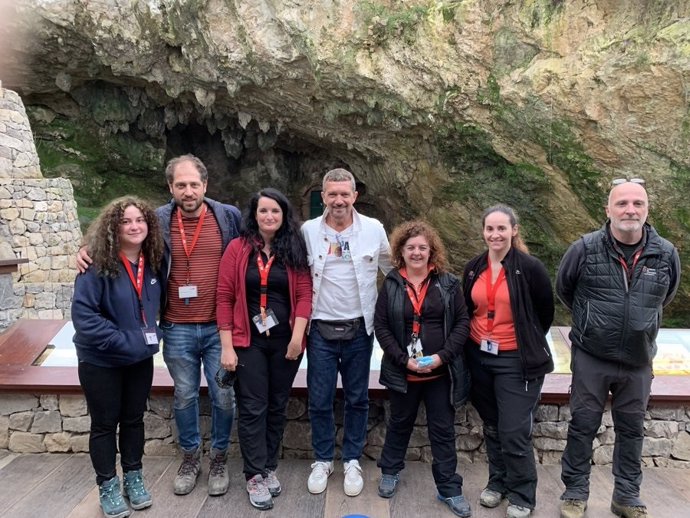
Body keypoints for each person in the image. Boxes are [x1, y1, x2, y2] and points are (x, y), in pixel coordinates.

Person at [77, 154, 241, 497]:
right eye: (180, 185)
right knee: (184, 396)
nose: (188, 190)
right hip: (176, 326)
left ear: (205, 185)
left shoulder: (228, 217)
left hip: (218, 327)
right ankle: (190, 458)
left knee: (224, 396)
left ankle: (220, 459)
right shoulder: (157, 220)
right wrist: (83, 249)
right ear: (170, 187)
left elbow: (248, 252)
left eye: (194, 184)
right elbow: (121, 240)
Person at [557, 179, 680, 518]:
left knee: (632, 429)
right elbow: (564, 289)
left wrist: (639, 327)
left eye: (637, 204)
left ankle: (626, 496)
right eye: (622, 203)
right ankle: (575, 493)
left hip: (638, 360)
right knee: (582, 424)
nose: (630, 210)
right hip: (592, 356)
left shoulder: (665, 253)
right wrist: (594, 323)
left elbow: (664, 298)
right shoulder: (583, 249)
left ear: (647, 210)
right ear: (608, 210)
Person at [216, 188, 312, 510]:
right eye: (263, 211)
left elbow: (304, 296)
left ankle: (269, 465)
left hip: (286, 342)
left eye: (275, 211)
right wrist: (227, 348)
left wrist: (297, 339)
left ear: (284, 216)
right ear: (254, 214)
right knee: (253, 406)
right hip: (249, 342)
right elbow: (225, 298)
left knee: (276, 405)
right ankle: (254, 473)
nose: (269, 217)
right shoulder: (237, 249)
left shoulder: (293, 248)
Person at [301, 167, 392, 496]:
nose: (338, 200)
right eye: (332, 194)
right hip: (320, 329)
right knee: (320, 399)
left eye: (344, 194)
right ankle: (323, 458)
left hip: (359, 329)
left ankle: (352, 459)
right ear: (323, 196)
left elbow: (392, 270)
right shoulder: (308, 231)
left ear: (355, 196)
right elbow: (297, 278)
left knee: (357, 398)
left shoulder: (373, 229)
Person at [72, 196, 164, 518]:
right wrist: (126, 342)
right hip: (101, 362)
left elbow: (156, 306)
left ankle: (134, 478)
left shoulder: (153, 261)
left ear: (149, 225)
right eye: (126, 221)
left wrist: (154, 335)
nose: (134, 226)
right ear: (114, 226)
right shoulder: (95, 263)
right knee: (104, 425)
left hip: (139, 361)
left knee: (134, 420)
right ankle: (108, 485)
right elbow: (84, 317)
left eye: (140, 220)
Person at [462, 204, 555, 518]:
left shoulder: (530, 268)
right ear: (483, 232)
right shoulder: (475, 267)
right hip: (479, 356)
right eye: (490, 229)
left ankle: (522, 495)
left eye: (502, 228)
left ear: (514, 230)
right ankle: (497, 483)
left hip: (516, 360)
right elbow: (468, 307)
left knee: (514, 429)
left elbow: (543, 314)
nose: (495, 234)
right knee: (491, 425)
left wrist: (518, 342)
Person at [374, 221, 472, 517]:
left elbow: (462, 323)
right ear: (400, 251)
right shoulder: (391, 283)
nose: (416, 253)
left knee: (442, 431)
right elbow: (381, 327)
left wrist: (442, 356)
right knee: (399, 423)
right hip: (403, 372)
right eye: (410, 247)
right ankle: (390, 471)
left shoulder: (449, 283)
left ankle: (449, 488)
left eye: (422, 248)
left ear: (432, 251)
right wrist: (404, 360)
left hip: (441, 373)